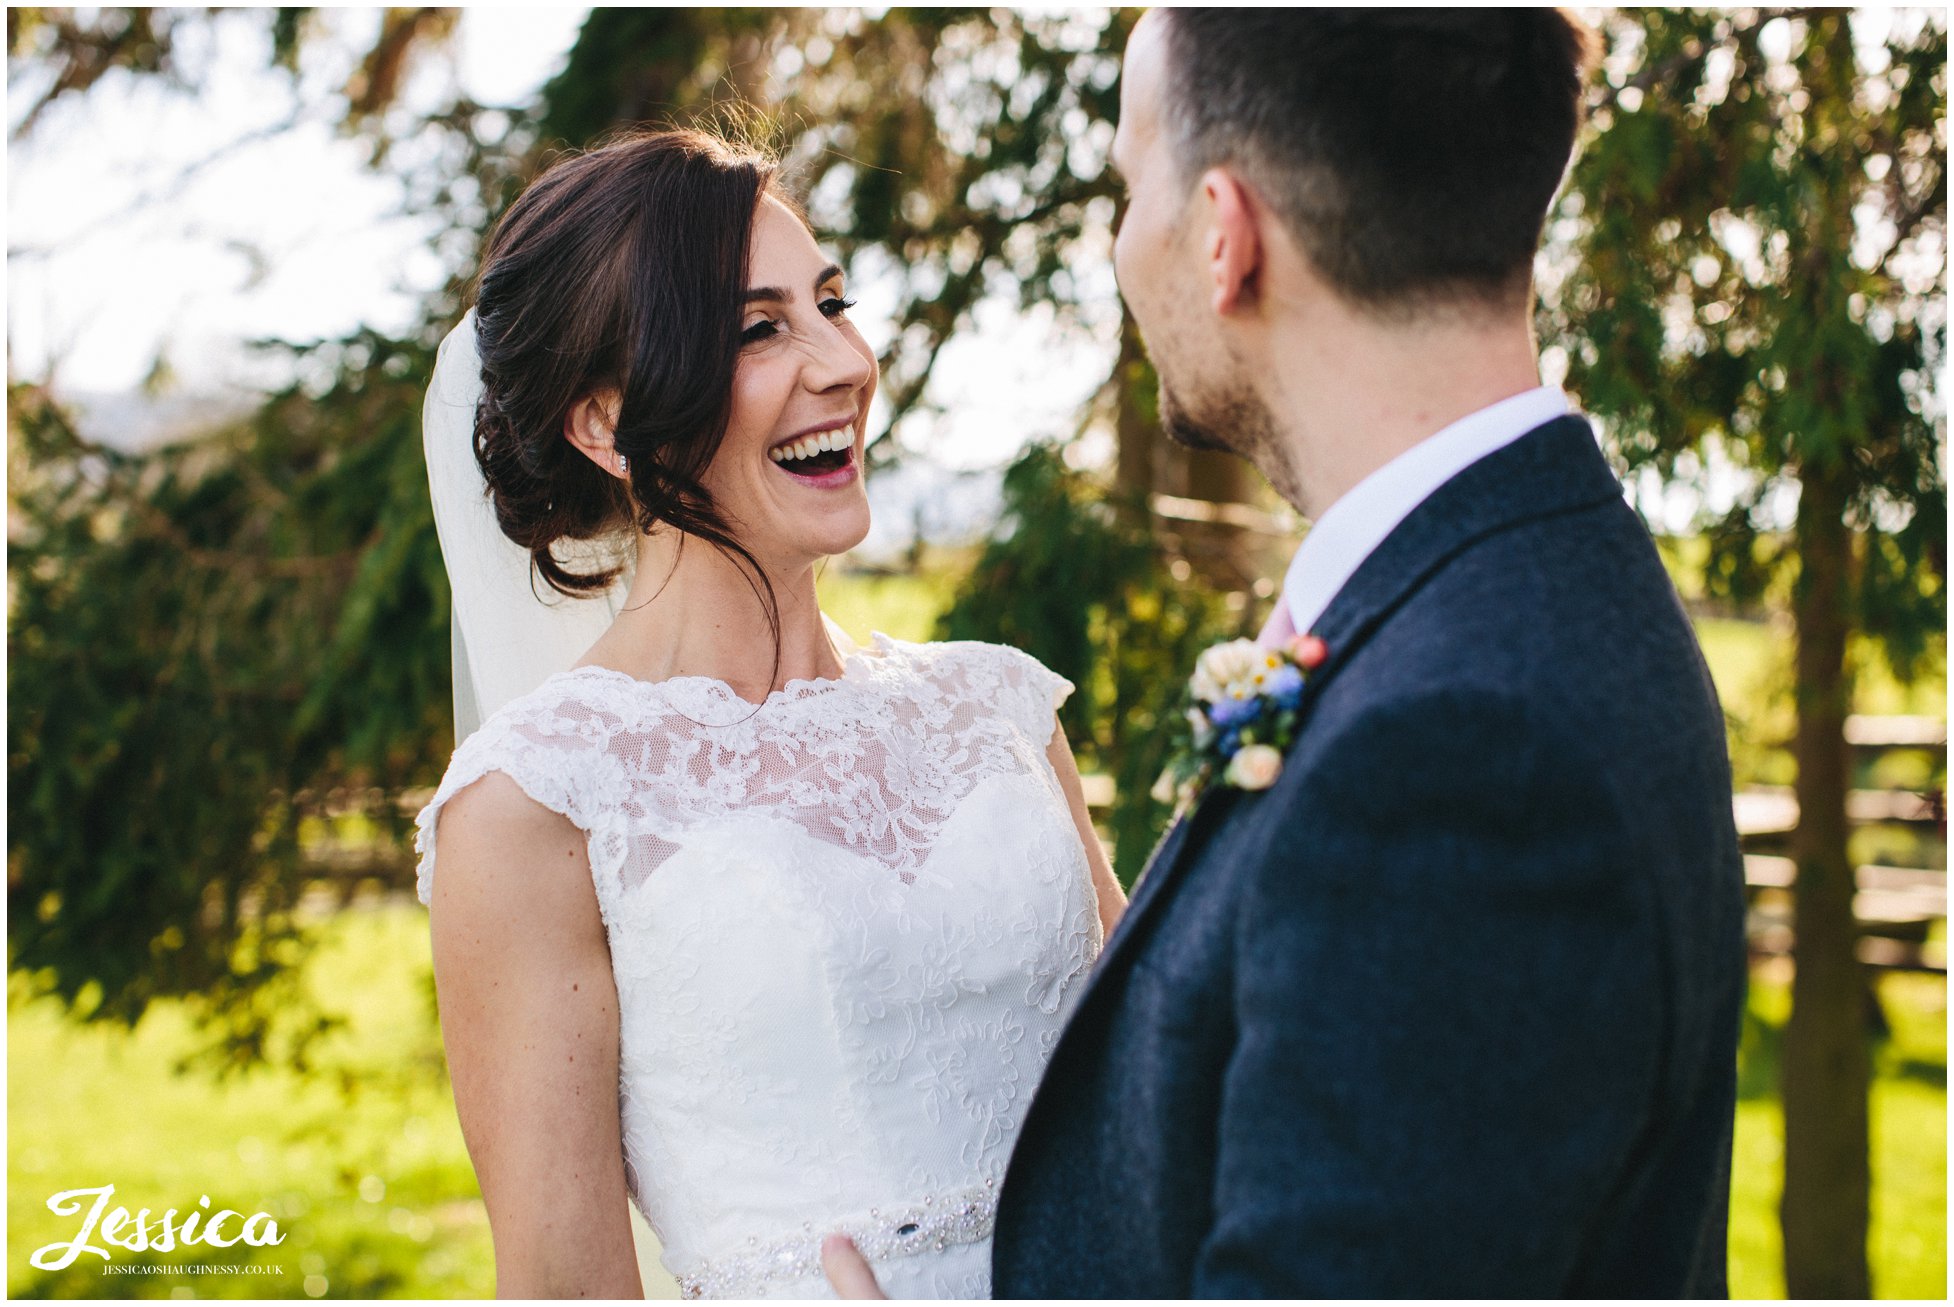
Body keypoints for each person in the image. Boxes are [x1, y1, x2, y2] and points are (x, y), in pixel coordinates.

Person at [831, 8, 1748, 1298]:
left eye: (1124, 183)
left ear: (1222, 233)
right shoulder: (1507, 583)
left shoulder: (1465, 753)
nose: (1116, 242)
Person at [412, 127, 1126, 1299]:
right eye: (758, 328)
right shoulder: (536, 807)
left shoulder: (999, 709)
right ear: (603, 426)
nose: (843, 362)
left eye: (831, 303)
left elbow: (1157, 1090)